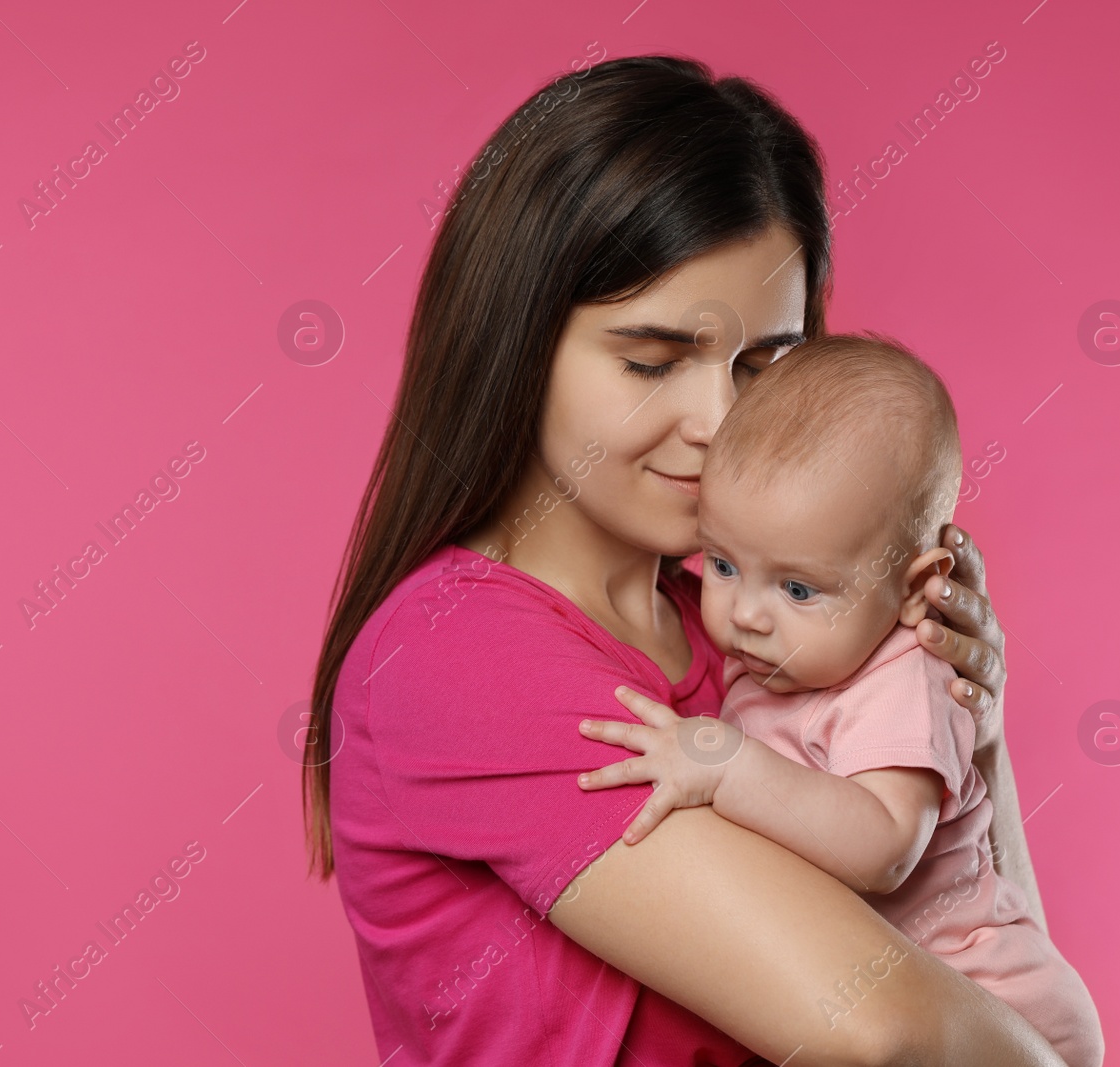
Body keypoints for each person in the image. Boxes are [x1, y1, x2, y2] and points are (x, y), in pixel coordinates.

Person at [303, 53, 1066, 1065]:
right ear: (516, 342)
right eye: (653, 360)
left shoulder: (752, 616)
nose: (719, 421)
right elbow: (893, 1029)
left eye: (764, 364)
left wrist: (969, 720)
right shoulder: (461, 653)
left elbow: (992, 952)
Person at [575, 333, 1103, 1066]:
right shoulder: (778, 657)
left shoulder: (903, 677)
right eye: (724, 562)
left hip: (997, 1004)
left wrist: (726, 765)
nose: (748, 613)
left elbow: (884, 847)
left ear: (917, 586)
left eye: (797, 587)